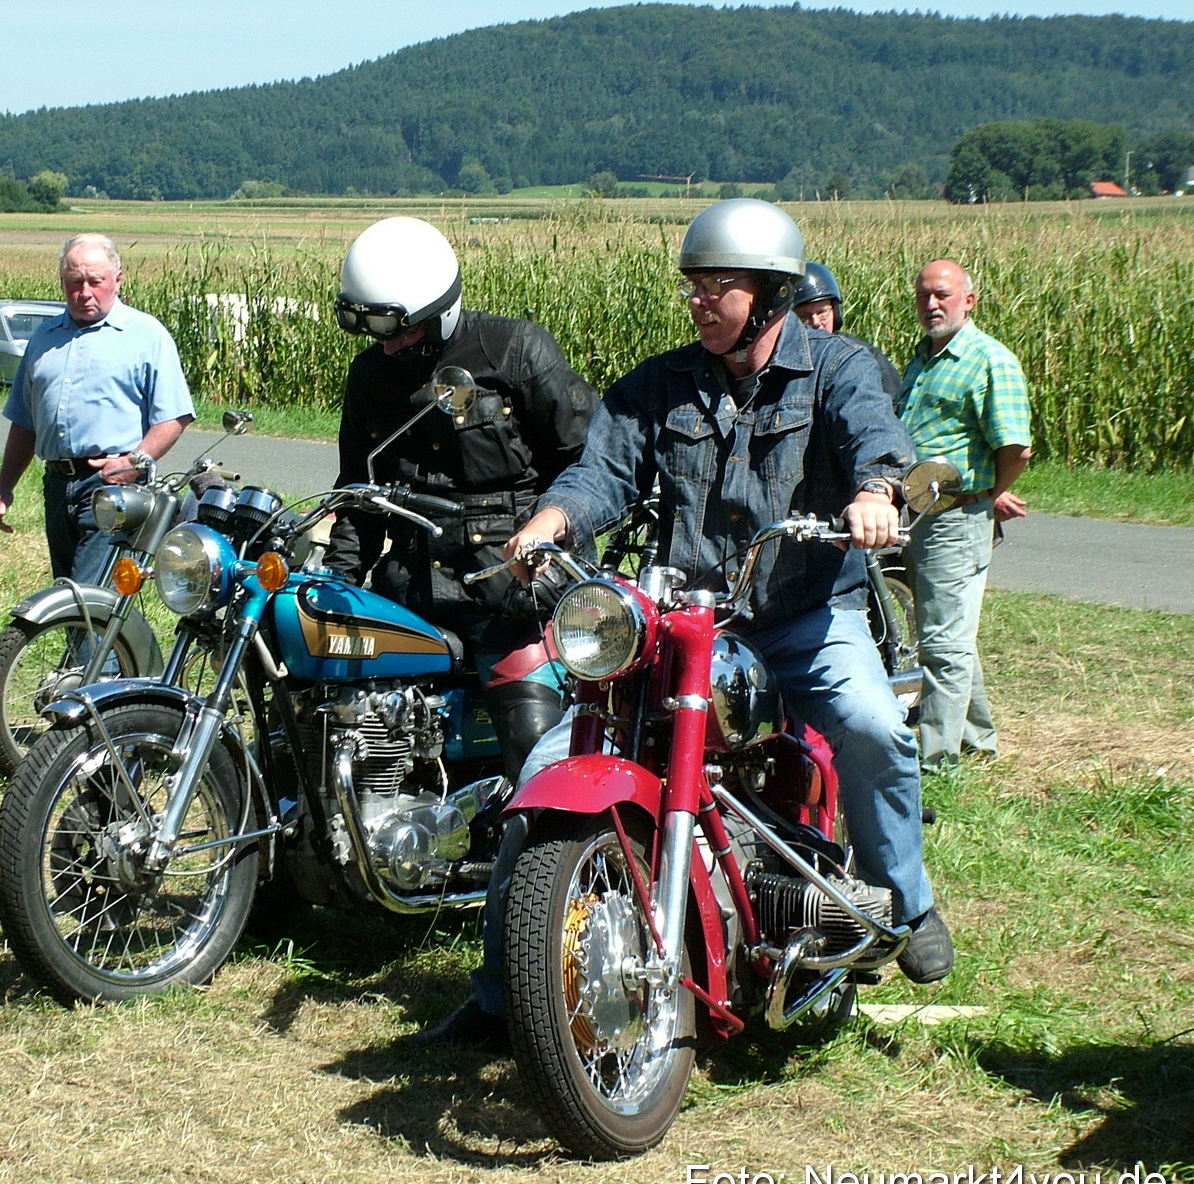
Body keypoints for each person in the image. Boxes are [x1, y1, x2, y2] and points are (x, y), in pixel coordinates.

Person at [476, 199, 952, 1034]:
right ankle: (504, 989)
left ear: (769, 294)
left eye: (718, 286)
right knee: (549, 764)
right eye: (693, 286)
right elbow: (602, 472)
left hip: (803, 612)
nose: (699, 301)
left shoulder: (837, 368)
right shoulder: (658, 384)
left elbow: (878, 439)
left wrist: (876, 493)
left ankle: (903, 904)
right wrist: (553, 520)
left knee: (874, 728)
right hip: (686, 619)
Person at [328, 216, 595, 783]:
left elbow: (588, 465)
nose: (388, 344)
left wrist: (553, 560)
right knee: (344, 727)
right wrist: (338, 585)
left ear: (439, 310)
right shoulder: (370, 374)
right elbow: (358, 493)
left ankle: (542, 864)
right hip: (408, 590)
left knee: (537, 751)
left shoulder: (514, 350)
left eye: (400, 330)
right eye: (375, 331)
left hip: (508, 597)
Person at [0, 234, 194, 581]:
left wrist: (133, 462)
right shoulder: (44, 337)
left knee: (89, 596)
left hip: (113, 487)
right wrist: (4, 486)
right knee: (67, 594)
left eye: (94, 282)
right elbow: (25, 421)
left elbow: (174, 416)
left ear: (118, 279)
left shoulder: (146, 335)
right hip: (57, 484)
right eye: (74, 282)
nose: (84, 293)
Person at [898, 260, 1031, 773]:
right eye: (924, 296)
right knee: (948, 630)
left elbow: (1015, 447)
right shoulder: (924, 359)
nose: (932, 304)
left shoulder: (988, 360)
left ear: (969, 301)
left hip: (954, 516)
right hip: (922, 513)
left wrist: (986, 494)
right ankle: (978, 741)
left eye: (943, 295)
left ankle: (936, 760)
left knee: (942, 641)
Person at [791, 260, 902, 401]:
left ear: (835, 312)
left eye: (822, 313)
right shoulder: (780, 363)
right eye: (804, 317)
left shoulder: (865, 358)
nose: (816, 323)